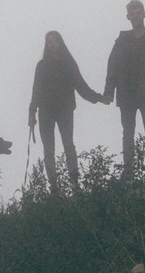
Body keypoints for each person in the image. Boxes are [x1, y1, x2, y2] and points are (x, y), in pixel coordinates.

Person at [102, 0, 145, 178]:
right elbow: (112, 66)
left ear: (144, 14)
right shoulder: (122, 40)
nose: (136, 16)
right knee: (128, 134)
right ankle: (128, 173)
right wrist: (109, 91)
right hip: (126, 94)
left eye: (139, 12)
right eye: (132, 13)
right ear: (128, 17)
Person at [27, 31, 100, 191]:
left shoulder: (68, 64)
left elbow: (81, 85)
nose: (52, 44)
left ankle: (74, 184)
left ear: (60, 42)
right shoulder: (42, 66)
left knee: (68, 146)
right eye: (49, 42)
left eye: (54, 41)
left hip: (64, 111)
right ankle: (54, 187)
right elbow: (36, 90)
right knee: (49, 150)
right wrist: (32, 112)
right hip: (46, 112)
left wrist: (98, 98)